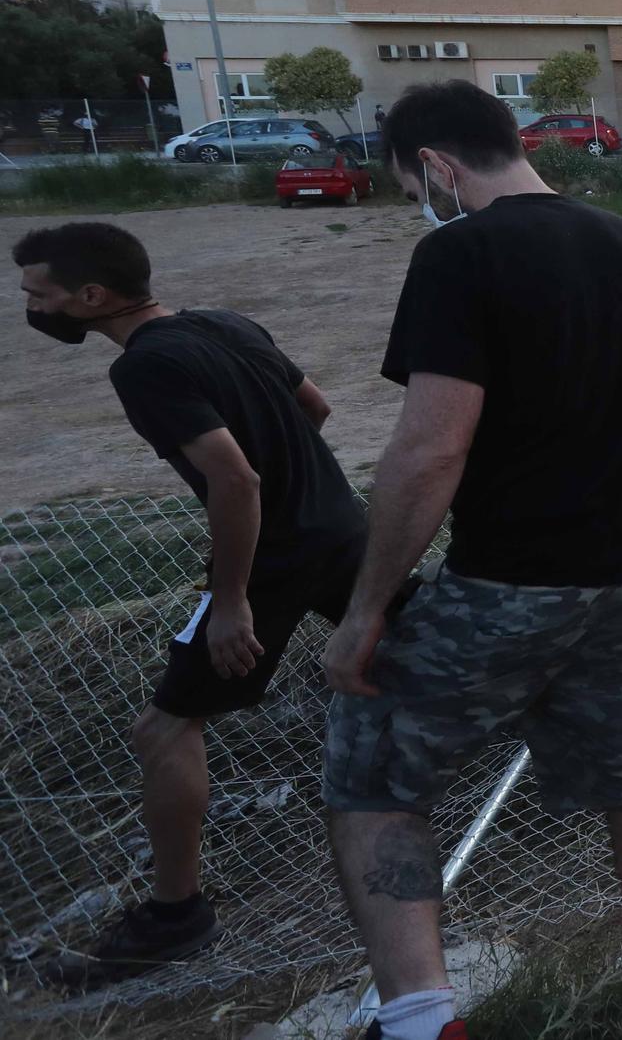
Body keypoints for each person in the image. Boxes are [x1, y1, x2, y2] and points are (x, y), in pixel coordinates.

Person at [318, 80, 622, 1040]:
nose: (419, 204)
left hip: (511, 581)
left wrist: (365, 612)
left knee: (372, 766)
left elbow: (432, 447)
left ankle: (419, 1017)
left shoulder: (458, 253)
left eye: (412, 185)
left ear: (437, 165)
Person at [12, 223, 365, 991]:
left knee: (165, 726)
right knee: (419, 653)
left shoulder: (148, 367)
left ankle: (177, 916)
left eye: (38, 292)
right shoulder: (225, 324)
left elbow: (235, 482)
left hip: (271, 561)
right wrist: (295, 485)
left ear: (90, 298)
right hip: (341, 528)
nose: (29, 304)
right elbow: (317, 407)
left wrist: (233, 597)